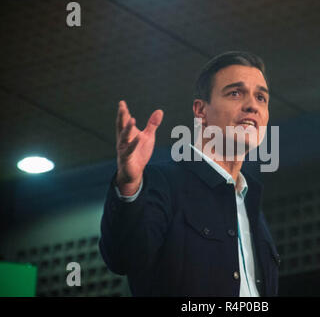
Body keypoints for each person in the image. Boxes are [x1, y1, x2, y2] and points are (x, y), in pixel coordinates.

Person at [99, 51, 280, 296]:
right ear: (201, 111)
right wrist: (129, 185)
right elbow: (123, 258)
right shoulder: (162, 182)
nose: (252, 105)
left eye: (261, 97)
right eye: (235, 93)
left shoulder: (251, 205)